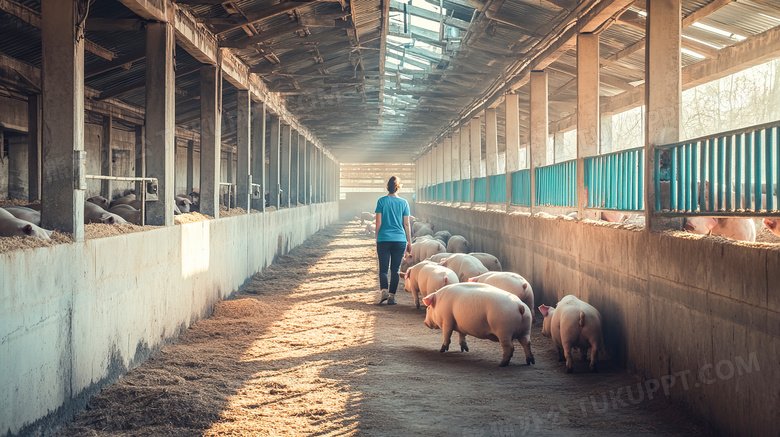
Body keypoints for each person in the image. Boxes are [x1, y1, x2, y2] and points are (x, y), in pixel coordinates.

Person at [374, 176, 412, 305]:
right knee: (395, 270)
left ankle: (384, 291)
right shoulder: (404, 203)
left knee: (383, 269)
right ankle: (392, 296)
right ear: (398, 187)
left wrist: (377, 238)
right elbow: (406, 224)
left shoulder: (381, 201)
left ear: (387, 187)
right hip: (400, 240)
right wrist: (409, 242)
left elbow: (378, 222)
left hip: (383, 239)